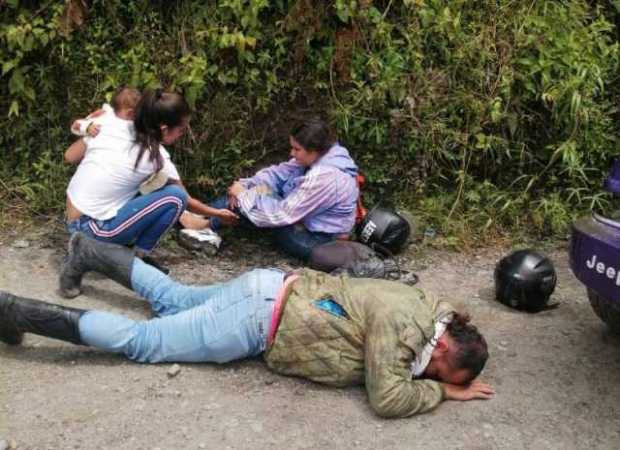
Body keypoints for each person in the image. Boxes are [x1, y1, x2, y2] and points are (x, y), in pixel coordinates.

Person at [0, 233, 494, 418]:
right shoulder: (406, 330)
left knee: (174, 298)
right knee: (145, 342)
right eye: (438, 371)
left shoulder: (428, 304)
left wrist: (444, 378)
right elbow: (388, 397)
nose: (427, 374)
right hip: (260, 320)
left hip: (268, 288)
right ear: (446, 348)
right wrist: (440, 395)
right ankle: (15, 311)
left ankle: (90, 249)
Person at [63, 88, 236, 283]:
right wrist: (218, 214)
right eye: (181, 129)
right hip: (91, 229)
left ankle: (115, 251)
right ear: (163, 129)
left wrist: (90, 132)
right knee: (174, 196)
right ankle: (136, 261)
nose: (182, 134)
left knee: (149, 187)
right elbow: (186, 200)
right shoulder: (157, 157)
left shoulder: (108, 122)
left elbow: (69, 156)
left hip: (71, 219)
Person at [205, 118, 359, 260]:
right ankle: (202, 218)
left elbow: (280, 215)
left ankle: (204, 221)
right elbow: (276, 174)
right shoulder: (319, 155)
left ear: (314, 150)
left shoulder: (325, 177)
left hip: (319, 240)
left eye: (297, 149)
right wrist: (245, 185)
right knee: (257, 190)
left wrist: (243, 196)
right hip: (298, 218)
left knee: (252, 202)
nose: (292, 153)